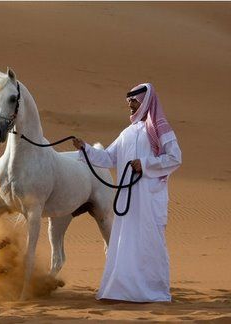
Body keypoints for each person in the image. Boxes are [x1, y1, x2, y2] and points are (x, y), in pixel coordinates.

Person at [72, 83, 181, 302]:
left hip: (149, 198)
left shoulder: (160, 129)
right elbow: (109, 158)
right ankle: (122, 290)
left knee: (149, 242)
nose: (130, 106)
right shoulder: (128, 132)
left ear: (145, 102)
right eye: (129, 102)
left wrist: (145, 164)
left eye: (134, 102)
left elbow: (175, 158)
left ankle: (153, 292)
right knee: (125, 240)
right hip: (127, 199)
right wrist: (85, 148)